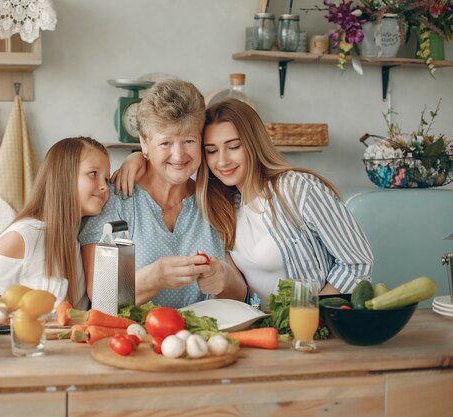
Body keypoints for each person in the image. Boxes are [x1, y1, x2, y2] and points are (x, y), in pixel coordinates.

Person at [115, 99, 373, 310]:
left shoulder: (297, 188)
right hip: (261, 332)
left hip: (312, 330)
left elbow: (357, 263)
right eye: (212, 151)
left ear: (253, 143)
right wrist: (139, 158)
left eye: (233, 146)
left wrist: (314, 312)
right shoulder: (222, 205)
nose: (223, 161)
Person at [79, 80, 248, 309]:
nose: (178, 156)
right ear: (144, 143)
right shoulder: (114, 200)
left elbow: (239, 295)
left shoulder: (214, 200)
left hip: (201, 340)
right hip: (133, 340)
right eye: (165, 143)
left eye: (189, 141)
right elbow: (102, 296)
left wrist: (223, 279)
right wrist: (154, 277)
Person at [0, 137, 111, 323]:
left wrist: (138, 158)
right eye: (93, 174)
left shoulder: (80, 237)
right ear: (63, 176)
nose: (104, 186)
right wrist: (0, 314)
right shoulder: (23, 237)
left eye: (106, 178)